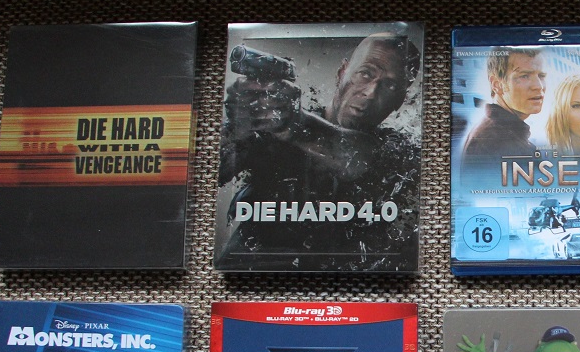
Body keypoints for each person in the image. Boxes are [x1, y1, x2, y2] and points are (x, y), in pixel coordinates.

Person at [218, 32, 422, 271]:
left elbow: (360, 159)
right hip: (251, 274)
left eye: (390, 85)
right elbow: (214, 174)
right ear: (342, 73)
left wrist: (294, 125)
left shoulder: (401, 150)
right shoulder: (274, 126)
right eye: (365, 73)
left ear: (400, 100)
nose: (371, 92)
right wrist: (238, 127)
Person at [461, 47, 546, 159]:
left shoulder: (502, 133)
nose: (539, 86)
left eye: (541, 76)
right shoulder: (494, 141)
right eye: (524, 76)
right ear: (497, 85)